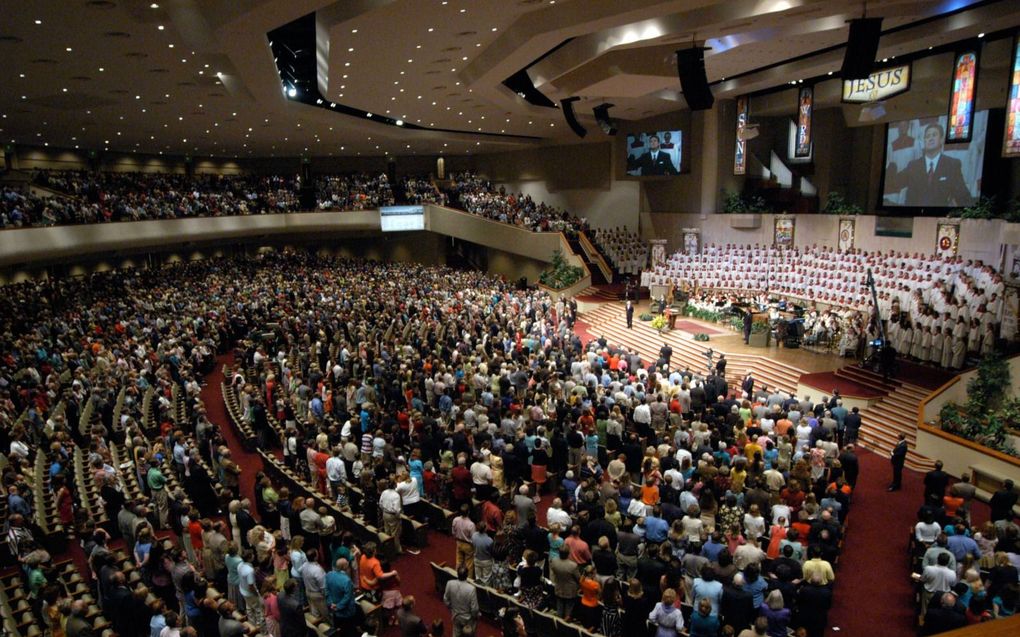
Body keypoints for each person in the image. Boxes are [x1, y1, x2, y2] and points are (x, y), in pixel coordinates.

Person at [895, 123, 973, 207]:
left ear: (942, 140)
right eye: (927, 136)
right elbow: (895, 182)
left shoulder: (952, 165)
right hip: (914, 215)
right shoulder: (913, 166)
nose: (930, 138)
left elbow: (964, 197)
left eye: (934, 135)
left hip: (941, 217)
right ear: (924, 141)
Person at [443, 566, 479, 637]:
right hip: (468, 619)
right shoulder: (471, 589)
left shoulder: (450, 583)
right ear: (467, 575)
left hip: (455, 615)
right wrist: (475, 616)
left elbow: (445, 599)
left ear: (457, 574)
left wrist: (451, 608)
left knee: (456, 633)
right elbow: (474, 609)